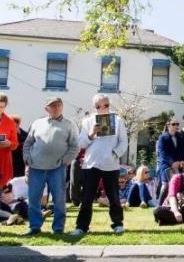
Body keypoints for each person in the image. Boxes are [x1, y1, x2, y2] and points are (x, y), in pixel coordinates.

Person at [72, 94, 128, 236]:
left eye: (106, 105)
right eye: (98, 106)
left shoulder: (118, 120)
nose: (103, 109)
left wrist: (114, 153)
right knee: (87, 198)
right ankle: (81, 227)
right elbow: (81, 143)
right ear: (94, 107)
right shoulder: (88, 121)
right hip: (91, 164)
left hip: (111, 165)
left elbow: (124, 142)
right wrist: (92, 133)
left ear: (109, 105)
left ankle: (118, 224)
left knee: (114, 197)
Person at [22, 97, 79, 235]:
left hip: (57, 168)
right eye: (52, 106)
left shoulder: (69, 124)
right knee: (34, 198)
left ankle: (58, 228)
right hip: (36, 167)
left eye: (58, 105)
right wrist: (27, 158)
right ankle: (34, 227)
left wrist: (65, 161)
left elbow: (74, 146)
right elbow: (28, 143)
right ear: (46, 108)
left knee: (59, 199)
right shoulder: (37, 123)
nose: (56, 108)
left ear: (62, 107)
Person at [156, 118, 184, 204]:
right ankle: (158, 207)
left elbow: (183, 151)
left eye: (177, 124)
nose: (176, 126)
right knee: (166, 186)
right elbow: (162, 153)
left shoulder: (181, 137)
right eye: (174, 124)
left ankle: (179, 206)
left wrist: (181, 162)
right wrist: (172, 162)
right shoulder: (163, 137)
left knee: (180, 185)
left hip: (178, 165)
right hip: (166, 165)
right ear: (168, 125)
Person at [0, 93, 18, 188]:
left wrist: (9, 143)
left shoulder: (10, 122)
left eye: (2, 107)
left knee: (3, 191)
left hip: (4, 161)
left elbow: (15, 144)